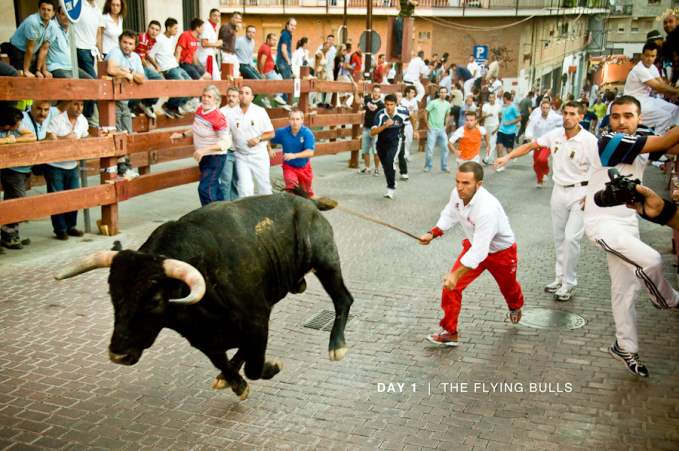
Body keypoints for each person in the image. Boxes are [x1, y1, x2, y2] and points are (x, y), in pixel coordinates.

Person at [584, 96, 679, 377]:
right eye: (616, 116)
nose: (622, 122)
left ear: (639, 118)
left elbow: (670, 146)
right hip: (601, 223)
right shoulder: (608, 140)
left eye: (628, 116)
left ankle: (625, 347)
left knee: (625, 289)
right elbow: (664, 144)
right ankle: (669, 300)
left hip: (629, 221)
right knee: (651, 260)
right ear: (609, 120)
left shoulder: (644, 136)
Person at [496, 101, 598, 302]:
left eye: (572, 114)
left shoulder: (590, 141)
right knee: (559, 238)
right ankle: (559, 278)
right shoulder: (556, 135)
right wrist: (507, 157)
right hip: (559, 191)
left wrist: (591, 195)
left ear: (580, 116)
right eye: (565, 113)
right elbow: (530, 146)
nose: (567, 117)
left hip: (581, 192)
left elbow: (598, 169)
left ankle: (569, 283)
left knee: (571, 239)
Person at [419, 162, 524, 346]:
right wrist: (433, 233)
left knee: (508, 288)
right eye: (457, 181)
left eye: (466, 183)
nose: (460, 187)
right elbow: (450, 214)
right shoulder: (457, 194)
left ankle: (515, 306)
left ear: (479, 184)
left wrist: (456, 274)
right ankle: (450, 332)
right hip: (474, 247)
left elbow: (480, 251)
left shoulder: (487, 208)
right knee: (451, 286)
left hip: (501, 253)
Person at [170, 85, 231, 206]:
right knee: (214, 187)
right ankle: (224, 213)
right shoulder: (200, 110)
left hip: (215, 157)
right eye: (204, 96)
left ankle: (209, 218)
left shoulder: (218, 116)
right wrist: (182, 135)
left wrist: (204, 150)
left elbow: (226, 143)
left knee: (205, 189)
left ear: (216, 100)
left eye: (209, 97)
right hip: (203, 157)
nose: (206, 99)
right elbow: (196, 128)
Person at [45, 100, 88, 240]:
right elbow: (49, 141)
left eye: (81, 105)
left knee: (74, 196)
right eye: (76, 104)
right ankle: (60, 229)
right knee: (57, 198)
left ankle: (71, 226)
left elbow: (85, 137)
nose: (79, 108)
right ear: (68, 104)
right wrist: (65, 139)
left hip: (72, 164)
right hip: (55, 165)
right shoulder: (57, 120)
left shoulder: (82, 120)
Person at [0, 106, 37, 251]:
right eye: (17, 124)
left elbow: (31, 136)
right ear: (7, 124)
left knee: (14, 201)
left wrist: (12, 139)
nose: (19, 126)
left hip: (16, 168)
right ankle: (8, 233)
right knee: (18, 201)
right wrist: (8, 141)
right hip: (10, 170)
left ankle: (10, 235)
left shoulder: (12, 129)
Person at [227, 86, 275, 197]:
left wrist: (258, 139)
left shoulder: (260, 111)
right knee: (244, 189)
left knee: (264, 187)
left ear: (252, 97)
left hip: (259, 155)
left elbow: (271, 133)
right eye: (241, 92)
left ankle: (269, 212)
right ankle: (248, 213)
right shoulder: (231, 113)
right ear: (238, 96)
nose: (244, 95)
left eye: (247, 93)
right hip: (241, 156)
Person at [623, 42, 679, 134]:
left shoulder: (652, 67)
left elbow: (662, 84)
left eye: (653, 56)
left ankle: (671, 136)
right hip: (634, 103)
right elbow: (657, 86)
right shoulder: (639, 69)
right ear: (642, 56)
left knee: (675, 110)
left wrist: (674, 93)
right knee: (665, 117)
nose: (649, 59)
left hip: (647, 100)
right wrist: (676, 91)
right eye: (647, 56)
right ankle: (658, 144)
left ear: (656, 56)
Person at [106, 29, 146, 154]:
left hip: (125, 101)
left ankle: (126, 165)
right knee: (118, 134)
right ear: (120, 42)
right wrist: (126, 73)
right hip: (113, 99)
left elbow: (141, 78)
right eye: (124, 42)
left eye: (130, 43)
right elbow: (111, 69)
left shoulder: (136, 57)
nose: (127, 46)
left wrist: (129, 73)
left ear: (135, 46)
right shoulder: (116, 51)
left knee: (128, 133)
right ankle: (121, 167)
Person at [148, 18, 191, 119]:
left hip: (176, 66)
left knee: (191, 84)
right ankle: (168, 106)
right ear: (168, 28)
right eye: (175, 28)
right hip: (168, 69)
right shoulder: (159, 40)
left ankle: (175, 106)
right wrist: (156, 66)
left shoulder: (170, 38)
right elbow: (149, 54)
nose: (177, 31)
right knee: (181, 86)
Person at [370, 94, 409, 199]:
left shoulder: (402, 113)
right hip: (381, 143)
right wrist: (385, 126)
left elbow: (412, 117)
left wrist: (416, 131)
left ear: (396, 104)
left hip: (395, 141)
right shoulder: (380, 114)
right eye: (387, 104)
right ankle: (392, 180)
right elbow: (372, 132)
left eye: (391, 104)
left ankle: (390, 189)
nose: (389, 107)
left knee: (390, 161)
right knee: (386, 166)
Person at [4, 0, 56, 77]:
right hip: (17, 49)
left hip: (32, 52)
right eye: (43, 9)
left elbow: (44, 49)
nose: (46, 12)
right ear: (38, 10)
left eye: (49, 10)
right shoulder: (33, 21)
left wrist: (40, 70)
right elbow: (29, 48)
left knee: (39, 75)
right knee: (22, 76)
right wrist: (26, 70)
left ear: (53, 13)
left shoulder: (53, 26)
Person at [271, 109, 316, 196]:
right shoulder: (282, 132)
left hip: (304, 167)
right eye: (292, 119)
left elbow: (310, 152)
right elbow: (268, 136)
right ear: (289, 120)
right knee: (291, 188)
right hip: (289, 166)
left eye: (297, 119)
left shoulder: (307, 133)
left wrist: (294, 155)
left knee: (306, 193)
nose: (295, 122)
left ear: (302, 120)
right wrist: (269, 149)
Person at [71, 0, 103, 121]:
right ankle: (88, 117)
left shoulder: (97, 9)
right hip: (79, 48)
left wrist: (99, 51)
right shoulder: (78, 5)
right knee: (92, 83)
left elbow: (98, 32)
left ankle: (84, 116)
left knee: (85, 84)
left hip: (91, 51)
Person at [45, 6, 95, 81]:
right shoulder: (52, 27)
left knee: (92, 82)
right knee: (72, 83)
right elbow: (43, 50)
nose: (66, 17)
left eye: (68, 15)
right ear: (57, 15)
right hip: (57, 67)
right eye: (63, 14)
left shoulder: (71, 28)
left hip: (71, 67)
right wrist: (43, 70)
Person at [522, 99, 562, 187]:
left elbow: (564, 122)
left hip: (548, 143)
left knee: (542, 159)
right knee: (536, 164)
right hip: (537, 142)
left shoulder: (554, 117)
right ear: (541, 108)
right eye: (543, 108)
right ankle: (539, 181)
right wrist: (528, 136)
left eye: (547, 108)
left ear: (550, 109)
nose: (545, 110)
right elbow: (530, 128)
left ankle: (546, 171)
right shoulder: (536, 118)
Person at [218, 87, 241, 201]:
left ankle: (236, 204)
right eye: (229, 96)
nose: (231, 98)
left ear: (238, 98)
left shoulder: (243, 111)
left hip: (240, 152)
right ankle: (225, 206)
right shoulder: (221, 112)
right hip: (226, 151)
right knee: (226, 180)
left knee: (236, 180)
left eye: (234, 96)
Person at [423, 87, 451, 173]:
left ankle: (444, 166)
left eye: (444, 92)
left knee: (445, 148)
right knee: (430, 149)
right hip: (432, 129)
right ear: (439, 93)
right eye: (441, 92)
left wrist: (446, 125)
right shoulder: (433, 102)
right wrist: (427, 124)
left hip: (442, 129)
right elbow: (425, 112)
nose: (443, 94)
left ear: (447, 94)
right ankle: (428, 166)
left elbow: (447, 114)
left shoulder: (447, 104)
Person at [257, 33, 287, 106]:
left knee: (280, 80)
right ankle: (277, 99)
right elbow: (261, 61)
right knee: (279, 84)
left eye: (276, 40)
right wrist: (261, 73)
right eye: (273, 40)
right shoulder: (266, 48)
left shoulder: (265, 46)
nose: (275, 42)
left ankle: (268, 99)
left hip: (271, 71)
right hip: (268, 72)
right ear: (268, 39)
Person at [360, 85, 384, 175]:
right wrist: (356, 91)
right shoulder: (367, 99)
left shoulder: (381, 105)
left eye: (378, 92)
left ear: (380, 93)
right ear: (372, 92)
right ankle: (367, 167)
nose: (376, 93)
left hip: (375, 129)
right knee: (365, 149)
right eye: (375, 91)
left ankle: (377, 169)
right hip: (366, 127)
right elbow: (360, 102)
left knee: (376, 150)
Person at [494, 92, 521, 171]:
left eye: (503, 98)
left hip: (510, 132)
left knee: (509, 150)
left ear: (505, 98)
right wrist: (498, 126)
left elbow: (519, 118)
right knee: (499, 148)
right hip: (501, 130)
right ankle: (501, 165)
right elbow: (502, 118)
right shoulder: (503, 107)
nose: (502, 99)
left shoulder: (513, 107)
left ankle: (514, 155)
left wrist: (509, 122)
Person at [197, 8, 223, 81]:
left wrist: (216, 45)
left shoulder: (212, 27)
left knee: (211, 78)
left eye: (218, 16)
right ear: (210, 16)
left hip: (209, 56)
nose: (217, 18)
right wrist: (217, 44)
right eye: (214, 15)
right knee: (215, 78)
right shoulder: (207, 26)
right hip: (205, 57)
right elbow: (204, 43)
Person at [218, 11, 242, 79]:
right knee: (227, 74)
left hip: (232, 54)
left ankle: (235, 88)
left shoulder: (233, 28)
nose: (238, 20)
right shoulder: (225, 26)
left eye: (239, 19)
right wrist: (236, 31)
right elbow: (224, 39)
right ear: (231, 18)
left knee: (236, 73)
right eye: (236, 18)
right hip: (225, 53)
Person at [480, 92, 501, 164]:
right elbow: (482, 116)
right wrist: (488, 115)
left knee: (493, 143)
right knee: (489, 143)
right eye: (490, 97)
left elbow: (500, 117)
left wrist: (498, 127)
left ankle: (486, 158)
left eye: (492, 97)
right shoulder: (485, 106)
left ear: (495, 98)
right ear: (488, 98)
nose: (491, 99)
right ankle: (491, 160)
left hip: (495, 125)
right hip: (487, 125)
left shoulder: (498, 106)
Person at [400, 85, 419, 165]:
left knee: (409, 139)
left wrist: (415, 123)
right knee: (402, 140)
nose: (413, 94)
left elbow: (415, 112)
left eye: (414, 93)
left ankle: (407, 154)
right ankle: (402, 155)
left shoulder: (414, 101)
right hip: (402, 122)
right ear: (407, 93)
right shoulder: (402, 101)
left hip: (409, 122)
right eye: (412, 92)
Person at [316, 34, 336, 108]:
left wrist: (333, 66)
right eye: (329, 39)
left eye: (332, 40)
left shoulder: (334, 49)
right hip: (321, 68)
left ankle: (327, 102)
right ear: (327, 40)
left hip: (329, 69)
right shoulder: (321, 47)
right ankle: (319, 101)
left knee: (330, 85)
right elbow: (317, 57)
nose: (330, 41)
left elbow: (333, 59)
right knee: (320, 84)